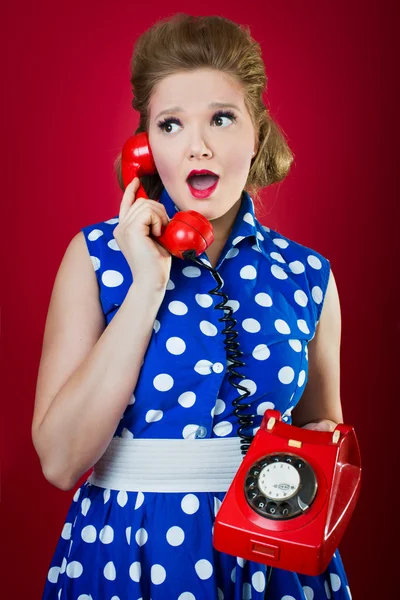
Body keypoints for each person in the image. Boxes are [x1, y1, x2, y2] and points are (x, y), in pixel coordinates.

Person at [32, 13, 351, 600]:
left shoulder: (307, 274)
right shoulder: (97, 257)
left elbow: (320, 433)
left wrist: (320, 445)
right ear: (145, 147)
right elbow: (58, 461)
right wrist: (146, 287)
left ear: (257, 130)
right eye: (170, 124)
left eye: (222, 119)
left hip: (272, 558)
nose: (197, 145)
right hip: (130, 553)